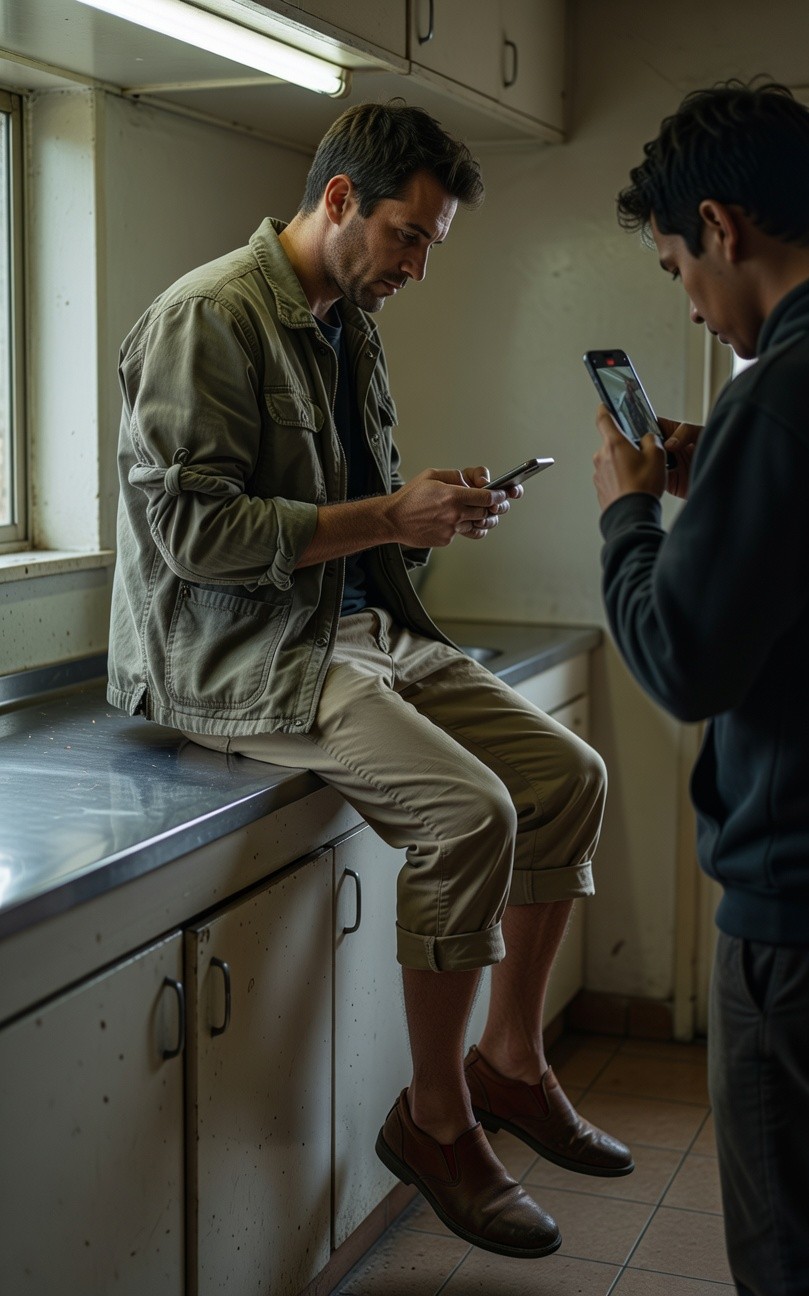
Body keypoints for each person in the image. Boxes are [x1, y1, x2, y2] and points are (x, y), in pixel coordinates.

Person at [108, 100, 632, 1261]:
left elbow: (347, 522)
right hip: (245, 654)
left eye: (430, 245)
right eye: (409, 236)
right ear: (339, 199)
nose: (416, 266)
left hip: (356, 629)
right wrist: (387, 513)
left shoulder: (348, 319)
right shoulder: (207, 317)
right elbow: (196, 534)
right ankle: (434, 1123)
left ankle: (511, 1063)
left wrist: (425, 517)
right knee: (470, 815)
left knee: (568, 778)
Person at [591, 79, 809, 1295]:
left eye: (674, 269)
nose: (693, 308)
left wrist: (629, 518)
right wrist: (731, 505)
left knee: (802, 1259)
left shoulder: (785, 392)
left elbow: (685, 659)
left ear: (722, 226)